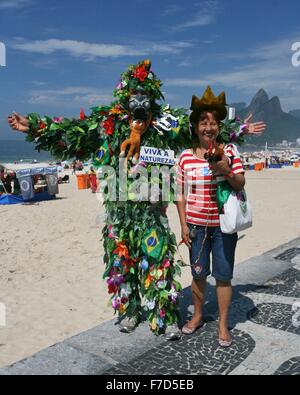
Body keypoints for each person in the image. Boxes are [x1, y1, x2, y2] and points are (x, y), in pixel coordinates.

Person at [7, 61, 265, 340]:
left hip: (152, 211)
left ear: (152, 97)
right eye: (134, 94)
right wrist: (33, 127)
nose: (139, 100)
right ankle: (130, 310)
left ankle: (161, 314)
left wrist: (239, 130)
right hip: (119, 212)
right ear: (124, 97)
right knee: (122, 261)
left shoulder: (164, 125)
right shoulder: (108, 124)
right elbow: (72, 132)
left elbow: (203, 128)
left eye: (144, 94)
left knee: (157, 262)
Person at [176, 86, 265, 347]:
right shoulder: (184, 158)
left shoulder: (230, 152)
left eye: (213, 123)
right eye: (203, 122)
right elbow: (179, 194)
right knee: (198, 273)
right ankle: (198, 316)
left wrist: (225, 168)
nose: (208, 127)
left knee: (224, 276)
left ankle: (224, 325)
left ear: (218, 127)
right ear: (195, 127)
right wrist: (183, 225)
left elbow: (239, 184)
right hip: (196, 226)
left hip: (224, 226)